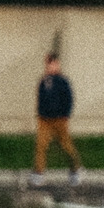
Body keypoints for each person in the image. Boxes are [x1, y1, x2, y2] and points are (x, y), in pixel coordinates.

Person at [32, 54, 84, 187]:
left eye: (53, 64)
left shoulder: (62, 81)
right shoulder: (44, 81)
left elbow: (68, 99)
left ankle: (75, 169)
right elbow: (41, 98)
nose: (50, 67)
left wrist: (65, 114)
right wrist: (40, 112)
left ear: (57, 64)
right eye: (48, 64)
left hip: (60, 119)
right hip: (45, 119)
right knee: (41, 145)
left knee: (65, 145)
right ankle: (39, 172)